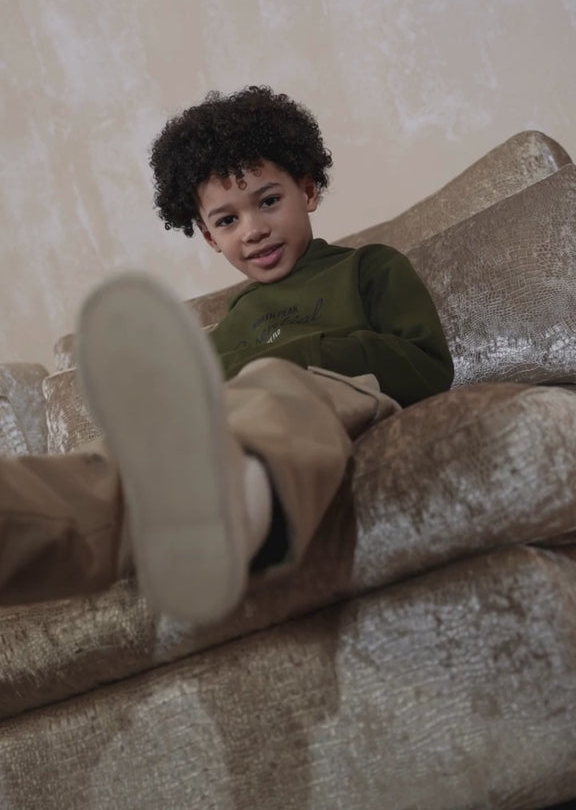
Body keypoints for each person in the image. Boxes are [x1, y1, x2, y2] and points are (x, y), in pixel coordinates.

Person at [0, 86, 453, 621]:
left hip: (330, 399)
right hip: (217, 427)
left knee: (273, 389)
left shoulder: (367, 268)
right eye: (227, 220)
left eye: (268, 201)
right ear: (210, 238)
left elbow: (427, 365)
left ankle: (245, 507)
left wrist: (294, 358)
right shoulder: (230, 325)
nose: (254, 230)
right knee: (116, 459)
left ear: (308, 189)